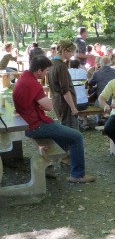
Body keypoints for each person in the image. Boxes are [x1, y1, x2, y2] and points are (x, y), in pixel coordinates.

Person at [12, 55, 95, 183]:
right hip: (35, 125)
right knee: (77, 137)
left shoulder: (23, 77)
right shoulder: (33, 83)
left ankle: (48, 166)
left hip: (26, 121)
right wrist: (43, 102)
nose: (47, 73)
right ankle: (78, 175)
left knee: (60, 134)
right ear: (39, 70)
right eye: (46, 71)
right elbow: (49, 106)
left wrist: (39, 103)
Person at [48, 40, 78, 130]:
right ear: (65, 51)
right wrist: (73, 108)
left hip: (57, 101)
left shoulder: (52, 62)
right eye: (72, 52)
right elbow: (65, 90)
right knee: (71, 134)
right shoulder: (61, 66)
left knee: (65, 130)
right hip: (65, 105)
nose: (73, 54)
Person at [68, 59, 89, 130]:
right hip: (83, 103)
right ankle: (85, 122)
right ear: (79, 65)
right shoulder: (83, 71)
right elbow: (86, 83)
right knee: (82, 97)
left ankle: (74, 123)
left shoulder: (67, 72)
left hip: (72, 103)